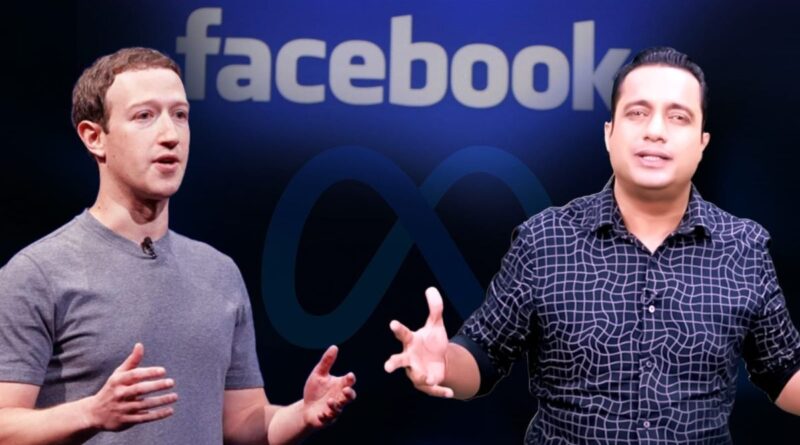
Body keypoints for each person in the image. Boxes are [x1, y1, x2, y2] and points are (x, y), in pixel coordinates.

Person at [384, 47, 800, 443]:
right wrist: (443, 364)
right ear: (609, 134)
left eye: (678, 117)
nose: (655, 131)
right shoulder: (545, 241)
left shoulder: (743, 248)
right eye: (637, 113)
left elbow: (783, 374)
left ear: (702, 143)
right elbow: (483, 356)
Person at [0, 47, 355, 445]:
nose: (170, 135)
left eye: (180, 115)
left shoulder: (218, 272)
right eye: (144, 116)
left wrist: (301, 415)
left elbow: (243, 422)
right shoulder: (38, 273)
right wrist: (91, 414)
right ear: (94, 137)